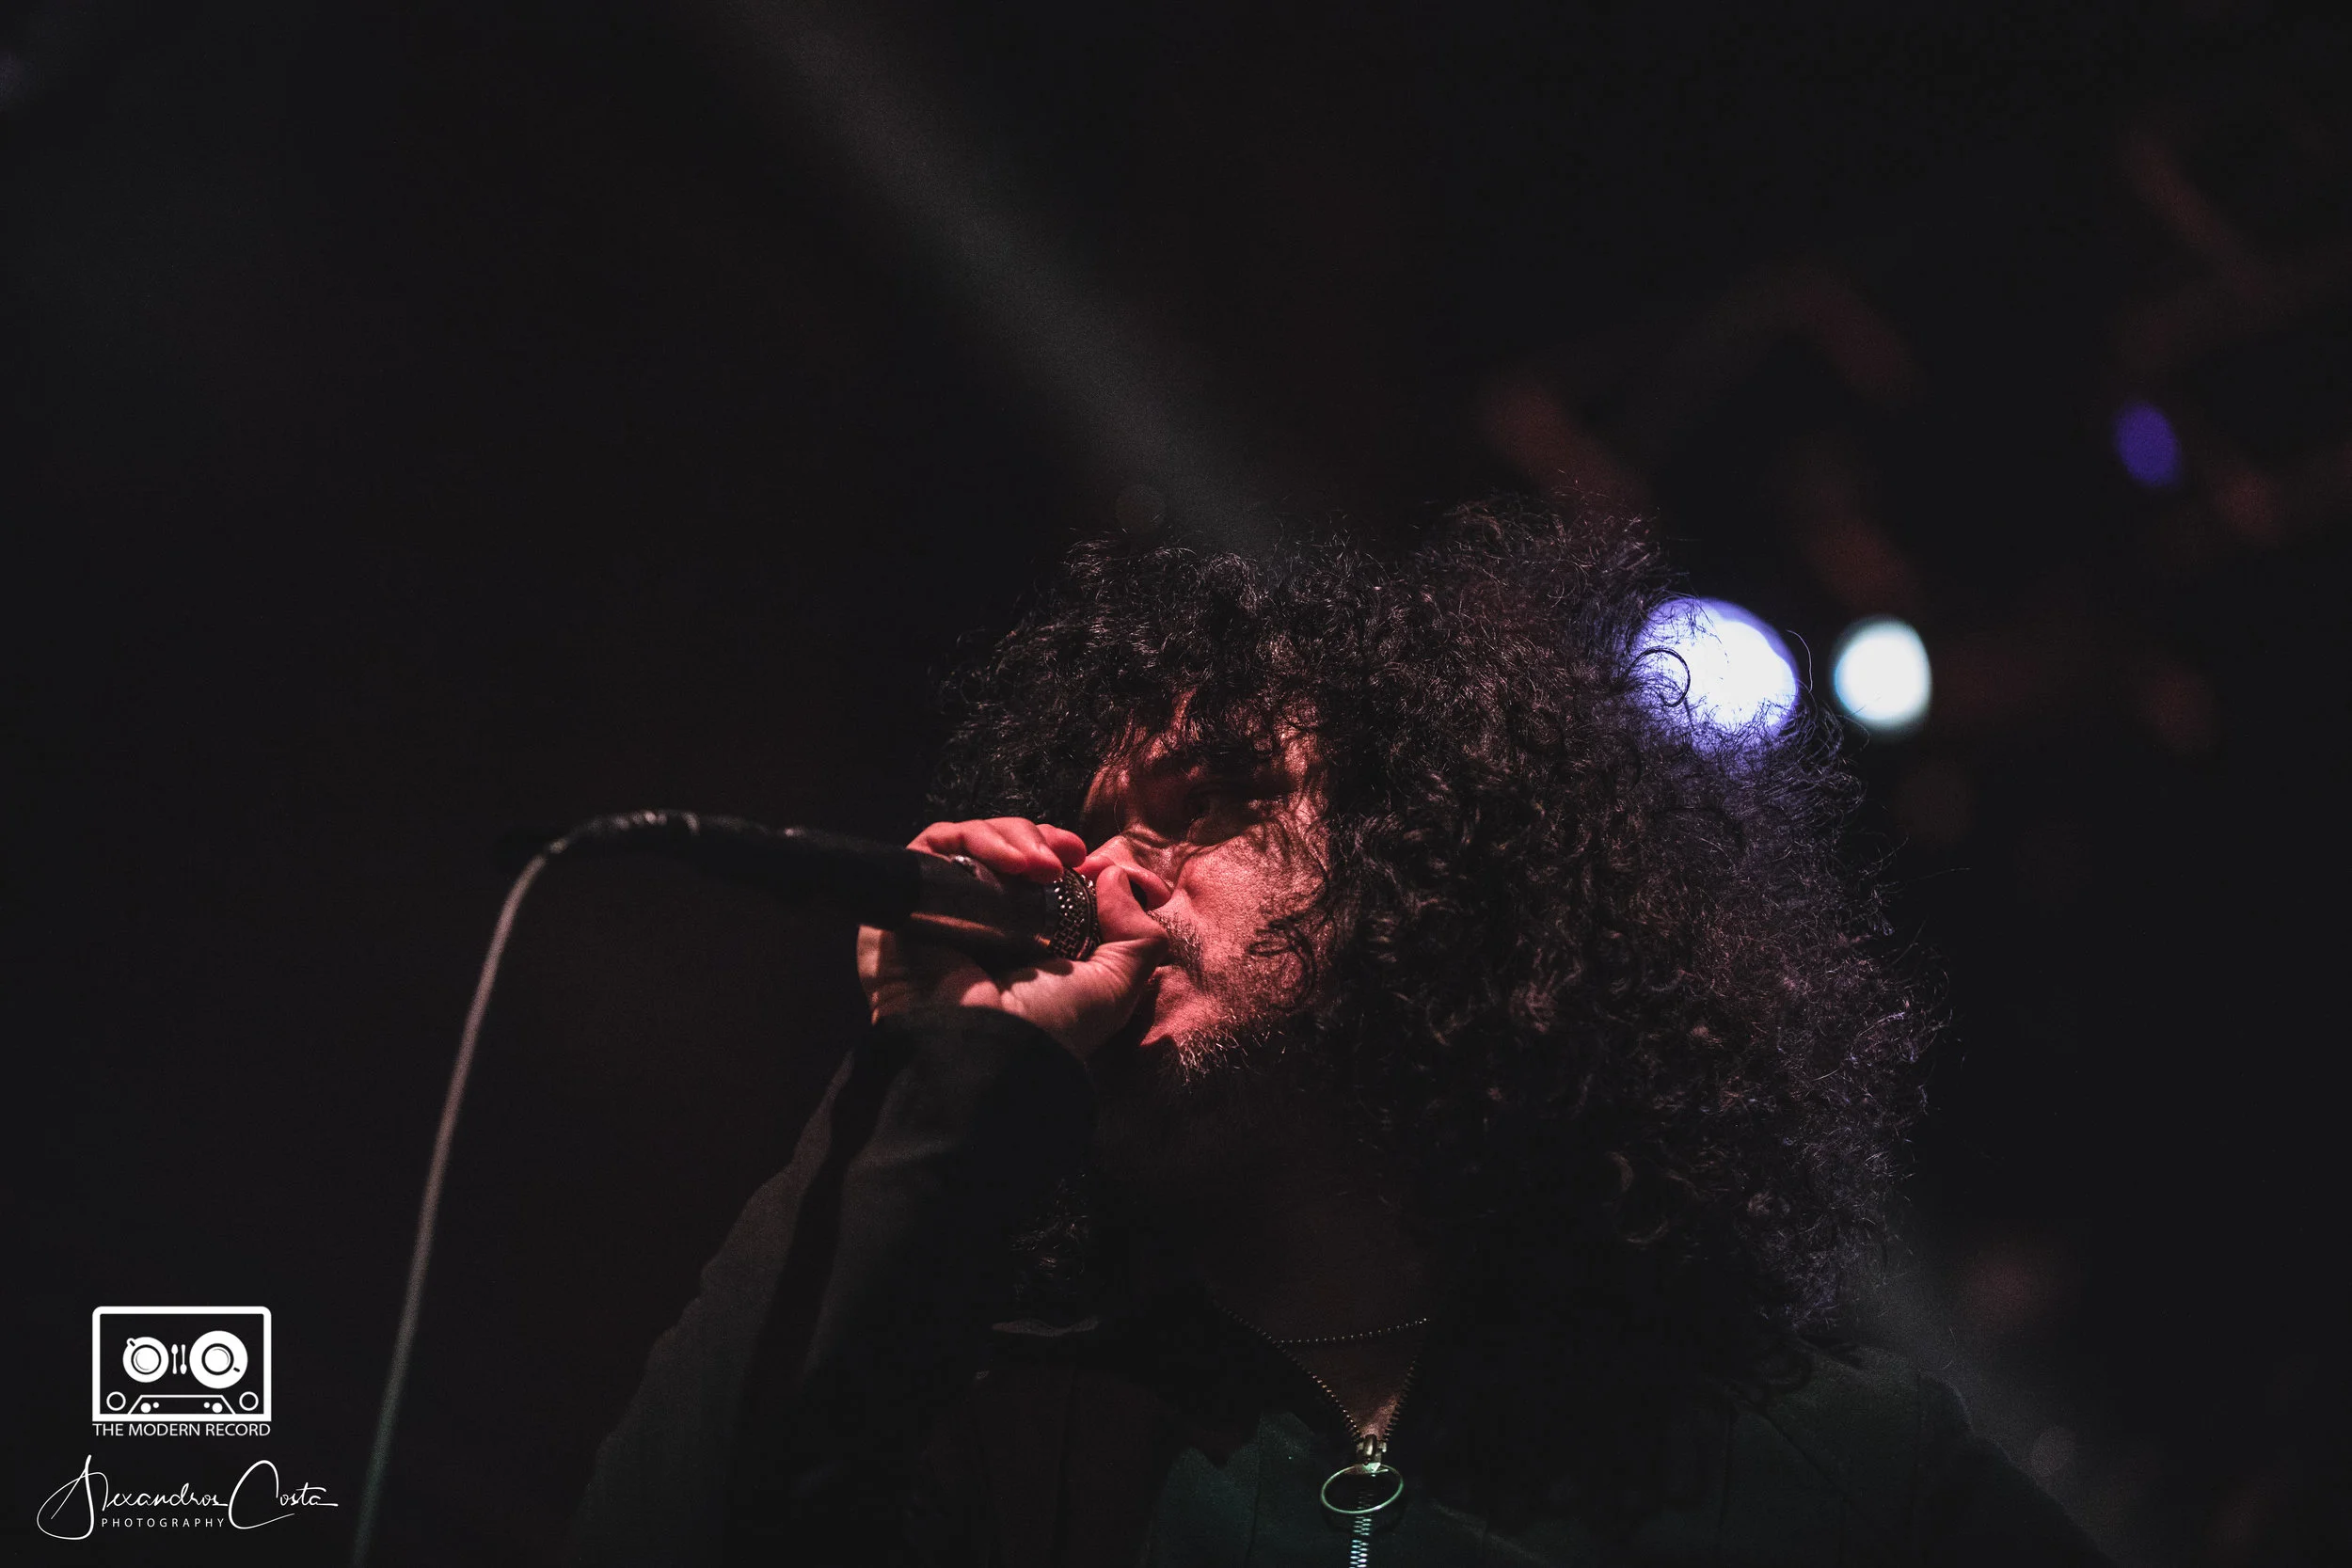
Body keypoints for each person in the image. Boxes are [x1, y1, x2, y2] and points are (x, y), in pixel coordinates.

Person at [573, 502, 2109, 1566]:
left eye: (1211, 806)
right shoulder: (1011, 1430)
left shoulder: (1823, 1466)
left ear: (1439, 873)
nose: (1104, 877)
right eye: (1100, 831)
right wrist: (933, 1066)